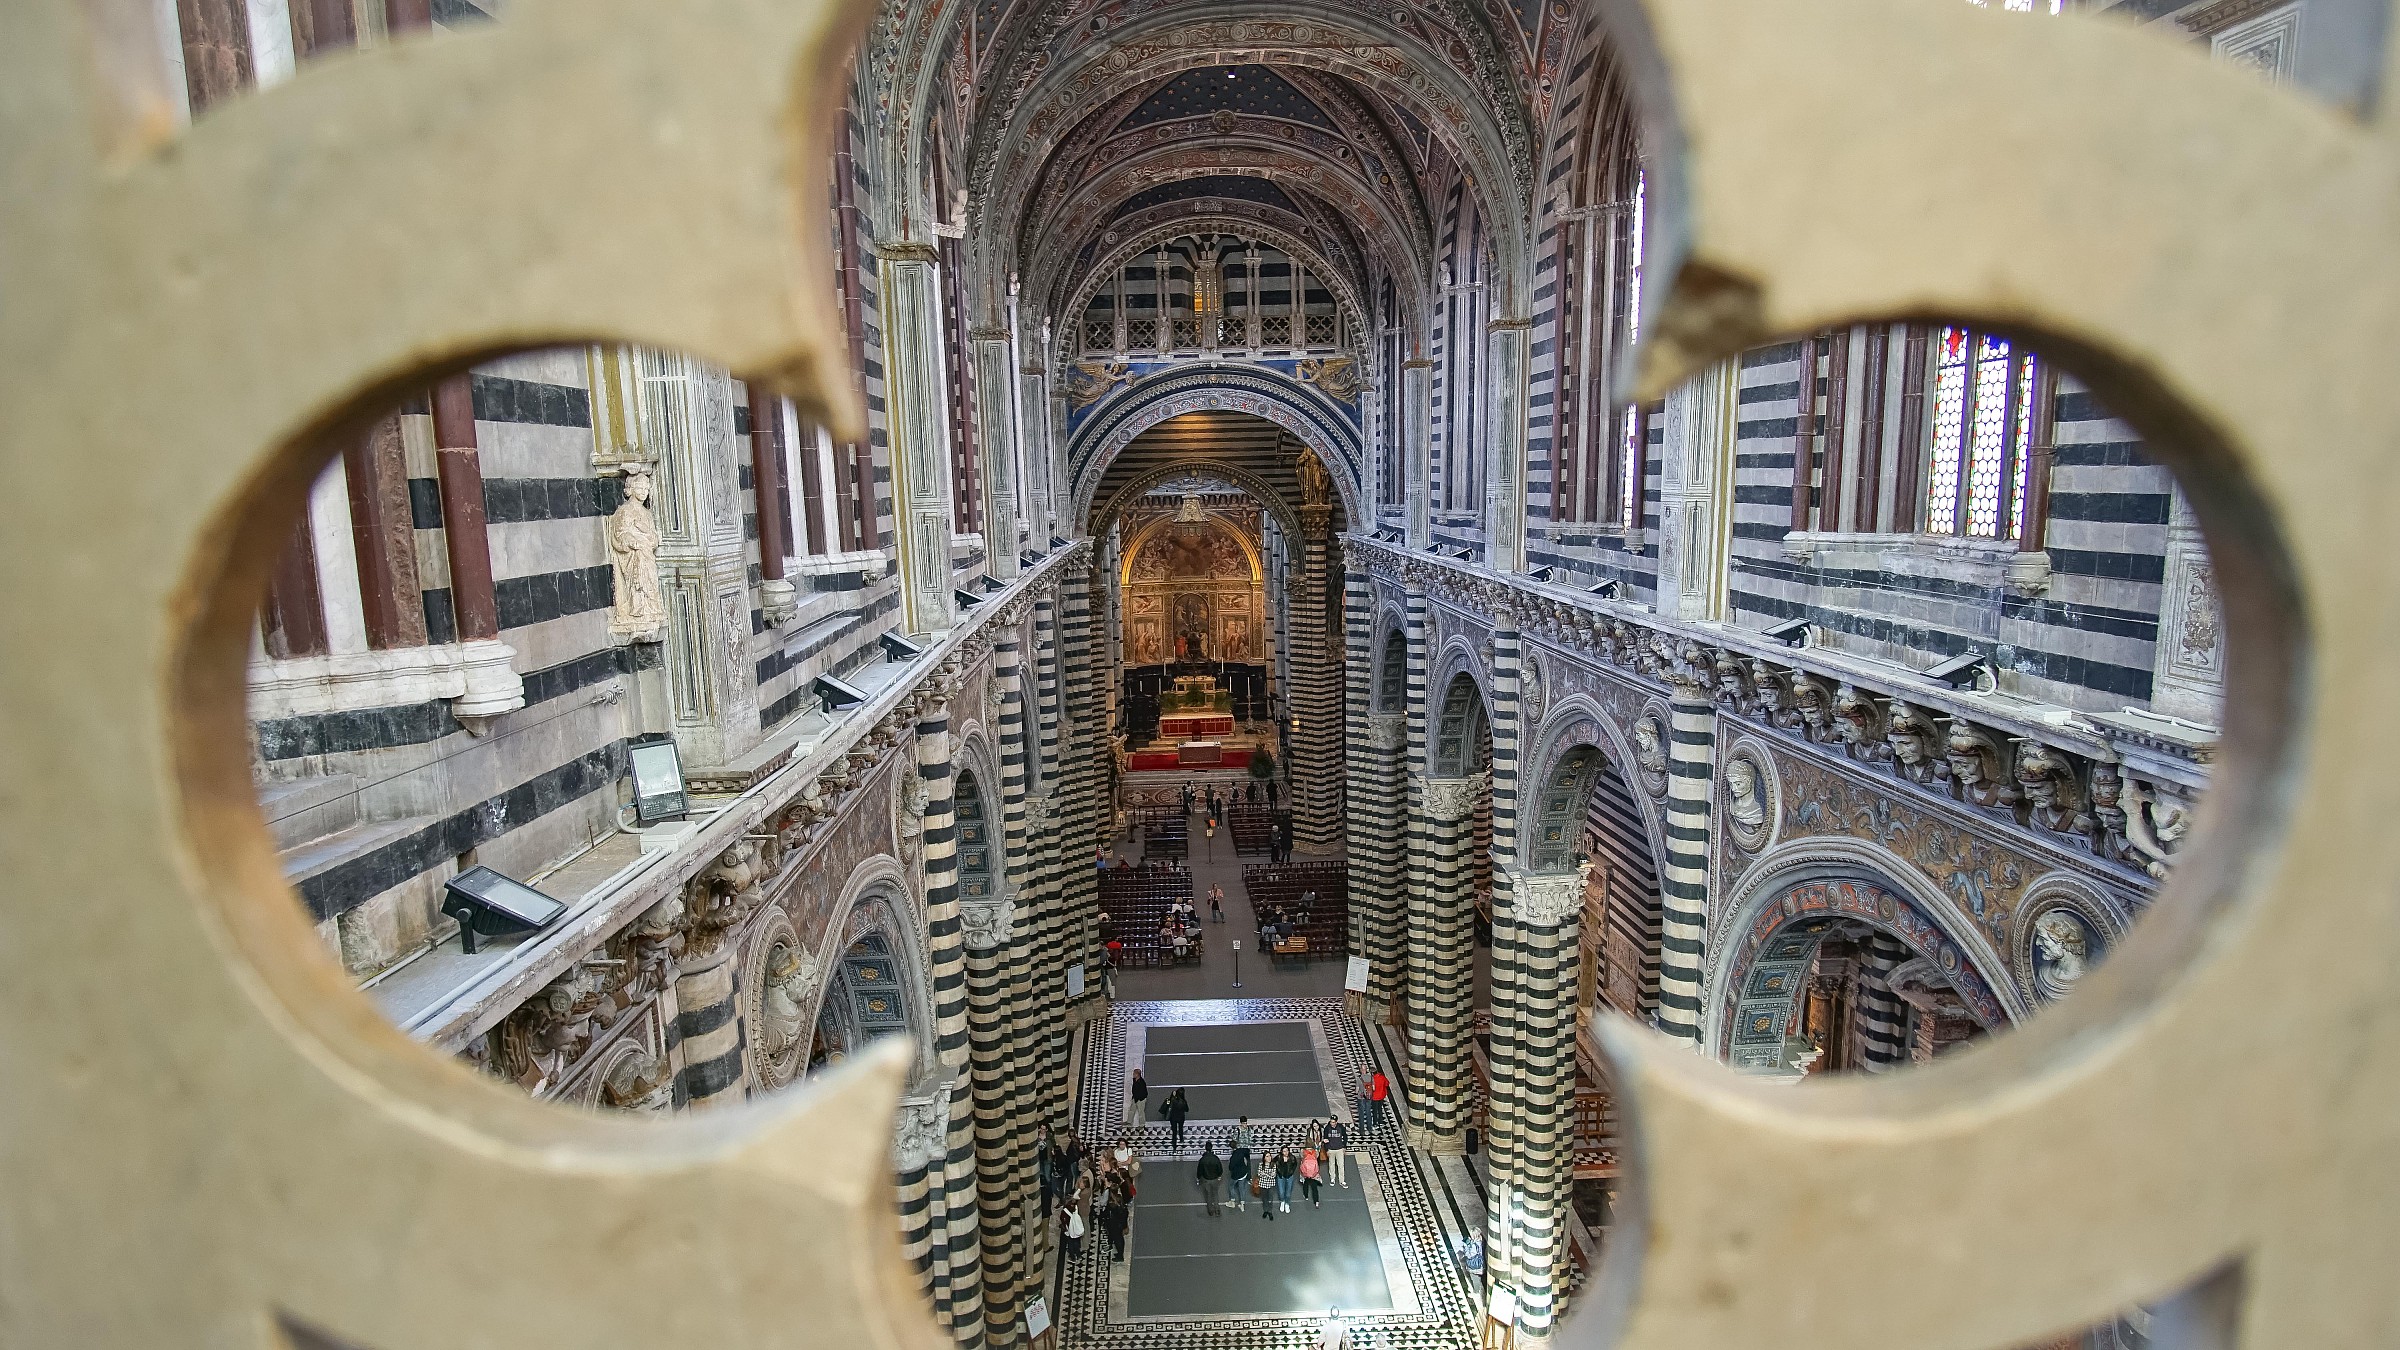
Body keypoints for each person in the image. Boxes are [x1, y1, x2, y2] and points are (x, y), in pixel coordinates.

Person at [1196, 1143, 1226, 1216]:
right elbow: (1220, 1169)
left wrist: (1198, 1178)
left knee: (1209, 1195)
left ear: (1205, 1148)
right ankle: (1217, 1210)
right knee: (1215, 1194)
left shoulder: (1202, 1159)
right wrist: (1219, 1175)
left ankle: (1210, 1211)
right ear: (1212, 1148)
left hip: (1206, 1179)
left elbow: (1199, 1171)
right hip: (1215, 1179)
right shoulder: (1215, 1158)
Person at [1100, 1190, 1129, 1262]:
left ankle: (1120, 1256)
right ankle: (1119, 1253)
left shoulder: (1119, 1210)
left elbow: (1121, 1220)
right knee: (1117, 1240)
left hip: (1116, 1228)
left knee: (1118, 1241)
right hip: (1115, 1227)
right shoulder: (1120, 1208)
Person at [1322, 1115, 1350, 1187]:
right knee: (1331, 1165)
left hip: (1339, 1149)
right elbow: (1325, 1139)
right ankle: (1332, 1179)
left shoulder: (1341, 1127)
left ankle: (1342, 1180)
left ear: (1336, 1122)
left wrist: (1344, 1147)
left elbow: (1345, 1136)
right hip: (1331, 1149)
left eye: (1333, 1122)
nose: (1332, 1123)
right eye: (1331, 1122)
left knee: (1341, 1165)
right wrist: (1326, 1150)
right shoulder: (1327, 1128)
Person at [1227, 1141, 1252, 1212]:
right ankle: (1242, 1204)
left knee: (1231, 1186)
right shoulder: (1241, 1151)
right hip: (1243, 1173)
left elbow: (1230, 1168)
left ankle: (1232, 1201)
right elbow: (1247, 1151)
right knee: (1242, 1188)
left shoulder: (1233, 1157)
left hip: (1236, 1175)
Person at [1274, 1147, 1298, 1214]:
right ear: (1281, 1152)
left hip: (1289, 1176)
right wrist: (1277, 1172)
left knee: (1288, 1192)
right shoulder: (1278, 1158)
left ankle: (1287, 1203)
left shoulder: (1292, 1158)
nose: (1286, 1152)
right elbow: (1273, 1163)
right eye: (1284, 1151)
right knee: (1281, 1192)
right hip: (1280, 1176)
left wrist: (1291, 1172)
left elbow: (1295, 1165)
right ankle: (1282, 1201)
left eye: (1287, 1151)